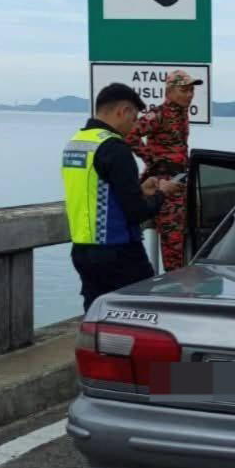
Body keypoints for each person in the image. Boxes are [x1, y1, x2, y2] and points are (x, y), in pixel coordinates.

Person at [63, 83, 175, 312]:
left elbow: (95, 190)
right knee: (141, 313)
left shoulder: (76, 143)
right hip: (119, 250)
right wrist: (162, 194)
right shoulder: (115, 148)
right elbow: (137, 212)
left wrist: (139, 189)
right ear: (122, 111)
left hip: (82, 250)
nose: (134, 126)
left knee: (96, 314)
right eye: (133, 119)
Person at [125, 69, 202, 271]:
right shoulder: (159, 114)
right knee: (172, 243)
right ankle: (172, 284)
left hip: (180, 180)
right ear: (169, 91)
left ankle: (178, 281)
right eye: (184, 90)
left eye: (192, 90)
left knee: (182, 241)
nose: (189, 95)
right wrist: (152, 160)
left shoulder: (182, 114)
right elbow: (130, 135)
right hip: (164, 184)